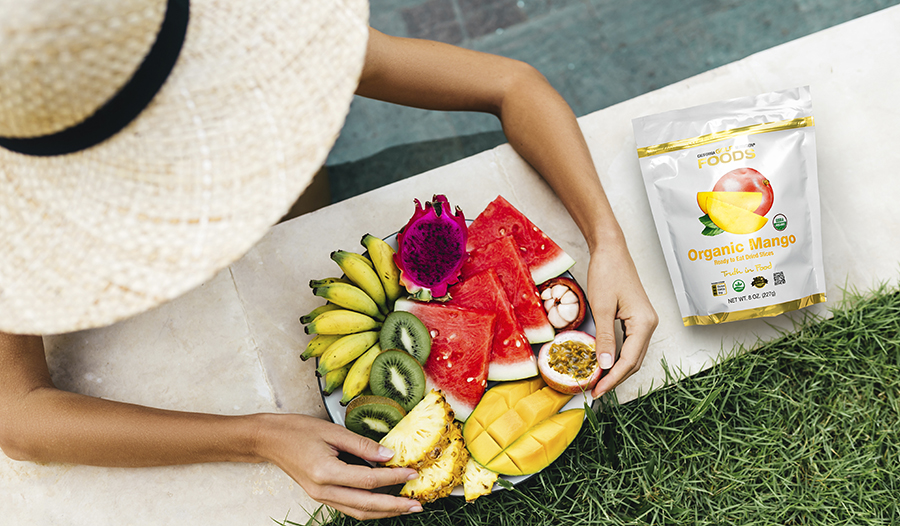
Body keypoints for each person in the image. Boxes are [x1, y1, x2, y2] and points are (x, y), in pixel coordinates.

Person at [0, 20, 656, 525]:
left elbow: (512, 85)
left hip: (304, 224)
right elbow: (18, 417)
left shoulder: (249, 38)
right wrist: (252, 437)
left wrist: (607, 238)